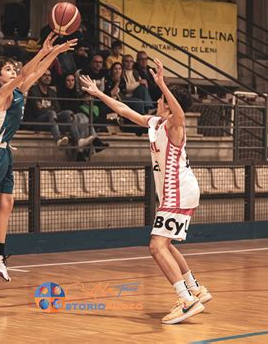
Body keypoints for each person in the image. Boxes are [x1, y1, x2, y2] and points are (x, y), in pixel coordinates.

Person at [80, 57, 212, 324]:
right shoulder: (156, 123)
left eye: (162, 98)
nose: (158, 101)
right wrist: (99, 93)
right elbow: (127, 111)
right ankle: (194, 287)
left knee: (155, 246)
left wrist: (162, 83)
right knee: (166, 244)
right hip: (177, 191)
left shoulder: (176, 125)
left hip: (178, 190)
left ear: (168, 102)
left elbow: (180, 113)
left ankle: (186, 300)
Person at [0, 32, 77, 285]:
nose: (13, 72)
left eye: (13, 68)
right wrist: (44, 49)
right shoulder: (2, 93)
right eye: (7, 69)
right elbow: (26, 73)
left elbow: (33, 74)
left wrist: (55, 52)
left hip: (5, 150)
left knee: (8, 202)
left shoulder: (20, 91)